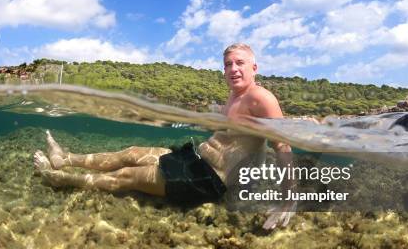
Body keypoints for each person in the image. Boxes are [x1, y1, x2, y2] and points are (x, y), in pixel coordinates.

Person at [33, 43, 294, 228]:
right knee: (132, 153)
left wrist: (287, 198)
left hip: (209, 180)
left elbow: (282, 146)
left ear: (254, 67)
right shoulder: (233, 97)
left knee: (127, 177)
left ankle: (61, 179)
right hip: (195, 161)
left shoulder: (261, 98)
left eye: (240, 63)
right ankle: (65, 159)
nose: (234, 69)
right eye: (228, 64)